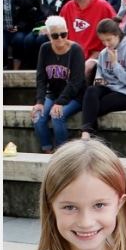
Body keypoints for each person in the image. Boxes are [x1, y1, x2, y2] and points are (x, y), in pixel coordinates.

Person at [80, 17, 126, 140]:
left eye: (109, 40)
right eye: (103, 41)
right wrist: (102, 82)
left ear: (117, 35)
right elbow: (99, 77)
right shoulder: (104, 53)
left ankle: (89, 135)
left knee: (92, 108)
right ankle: (87, 133)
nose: (106, 44)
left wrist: (115, 64)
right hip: (109, 88)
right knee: (91, 91)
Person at [31, 15, 86, 152]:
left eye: (63, 34)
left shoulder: (76, 49)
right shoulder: (45, 49)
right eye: (55, 36)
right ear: (49, 36)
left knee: (56, 115)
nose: (60, 38)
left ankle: (63, 152)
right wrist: (39, 101)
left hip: (74, 96)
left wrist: (60, 102)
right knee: (37, 116)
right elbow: (41, 78)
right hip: (54, 93)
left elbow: (76, 81)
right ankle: (48, 150)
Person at [60, 0, 116, 85]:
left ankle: (80, 99)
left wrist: (102, 51)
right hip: (73, 54)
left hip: (96, 55)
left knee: (87, 68)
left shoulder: (103, 6)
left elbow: (116, 33)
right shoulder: (68, 7)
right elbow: (61, 32)